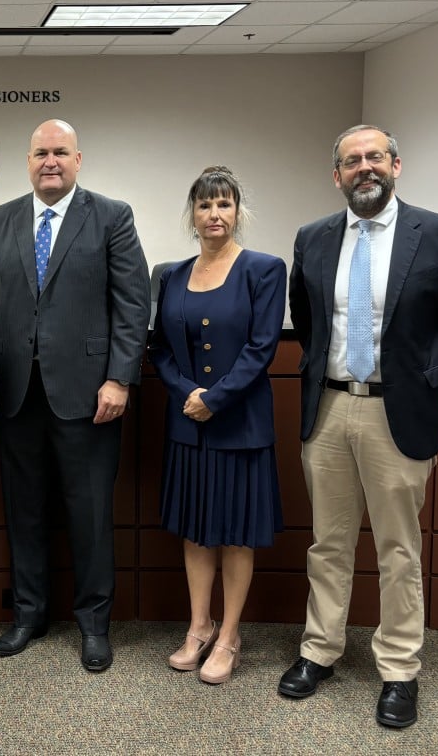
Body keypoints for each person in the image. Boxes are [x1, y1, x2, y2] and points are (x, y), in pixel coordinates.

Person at [280, 125, 438, 727]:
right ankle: (320, 650)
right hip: (332, 405)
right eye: (351, 161)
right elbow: (308, 319)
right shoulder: (313, 238)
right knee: (328, 542)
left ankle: (399, 668)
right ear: (336, 175)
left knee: (399, 548)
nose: (363, 168)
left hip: (401, 410)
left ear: (396, 165)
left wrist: (428, 376)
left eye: (374, 158)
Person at [0, 119, 149, 672]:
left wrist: (120, 378)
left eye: (60, 153)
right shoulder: (0, 219)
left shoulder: (112, 216)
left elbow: (133, 303)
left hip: (90, 393)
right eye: (40, 153)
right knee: (23, 510)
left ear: (79, 159)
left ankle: (94, 625)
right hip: (17, 395)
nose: (50, 161)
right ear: (28, 161)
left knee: (90, 513)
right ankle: (29, 614)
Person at [148, 166, 285, 685]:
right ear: (192, 214)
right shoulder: (172, 275)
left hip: (240, 425)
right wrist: (191, 396)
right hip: (189, 424)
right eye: (205, 206)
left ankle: (229, 635)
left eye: (224, 204)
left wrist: (217, 399)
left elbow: (262, 347)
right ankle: (198, 626)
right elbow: (158, 348)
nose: (214, 215)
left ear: (237, 212)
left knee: (235, 534)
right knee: (196, 532)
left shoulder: (263, 269)